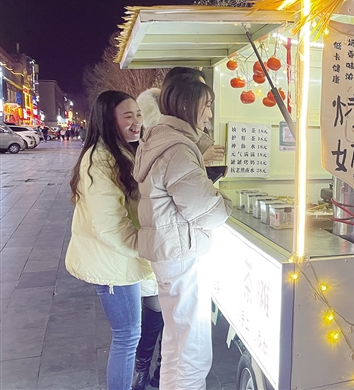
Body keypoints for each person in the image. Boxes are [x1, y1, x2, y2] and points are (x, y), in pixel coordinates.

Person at [133, 74, 232, 390]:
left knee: (176, 341)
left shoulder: (158, 139)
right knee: (193, 350)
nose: (210, 114)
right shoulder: (178, 149)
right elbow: (209, 211)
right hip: (183, 254)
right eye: (207, 105)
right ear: (188, 106)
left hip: (168, 254)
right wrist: (225, 201)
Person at [66, 90, 153, 390]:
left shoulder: (121, 151)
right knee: (127, 335)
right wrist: (145, 246)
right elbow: (110, 226)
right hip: (113, 263)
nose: (136, 121)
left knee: (133, 331)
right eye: (128, 116)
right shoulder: (100, 160)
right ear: (107, 120)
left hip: (120, 259)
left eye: (138, 114)